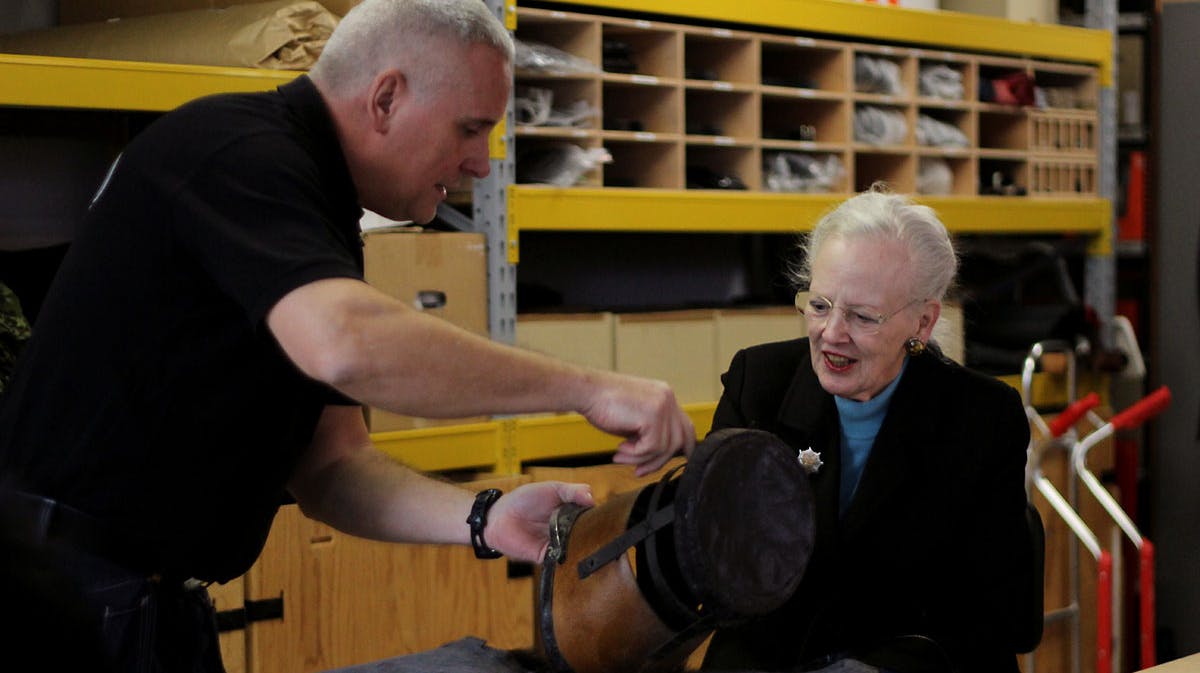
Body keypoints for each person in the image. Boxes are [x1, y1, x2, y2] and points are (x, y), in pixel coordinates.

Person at [0, 1, 695, 670]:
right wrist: (589, 387)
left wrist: (485, 518)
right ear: (386, 97)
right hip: (68, 594)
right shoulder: (239, 154)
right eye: (470, 128)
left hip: (158, 603)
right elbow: (346, 346)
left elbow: (332, 466)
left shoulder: (319, 206)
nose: (482, 163)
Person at [700, 185, 1038, 673]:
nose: (832, 333)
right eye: (819, 306)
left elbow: (996, 616)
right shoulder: (758, 386)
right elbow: (714, 565)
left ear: (922, 324)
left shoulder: (982, 417)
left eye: (862, 316)